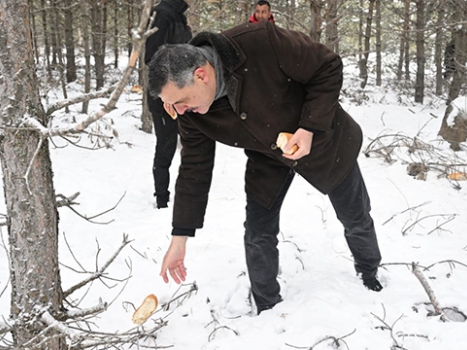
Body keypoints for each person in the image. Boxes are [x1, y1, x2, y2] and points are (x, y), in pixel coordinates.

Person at [148, 21, 383, 314]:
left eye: (180, 102)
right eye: (172, 106)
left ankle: (369, 271)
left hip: (324, 141)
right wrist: (179, 238)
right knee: (258, 231)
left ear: (201, 75)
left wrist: (309, 128)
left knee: (354, 216)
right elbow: (194, 169)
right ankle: (267, 305)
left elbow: (327, 66)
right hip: (267, 156)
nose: (179, 112)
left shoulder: (261, 42)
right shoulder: (191, 113)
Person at [145, 0, 192, 209]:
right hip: (164, 95)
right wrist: (167, 92)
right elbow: (152, 57)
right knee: (166, 145)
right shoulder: (162, 14)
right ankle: (161, 198)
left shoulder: (179, 15)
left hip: (184, 94)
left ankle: (188, 193)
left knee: (192, 144)